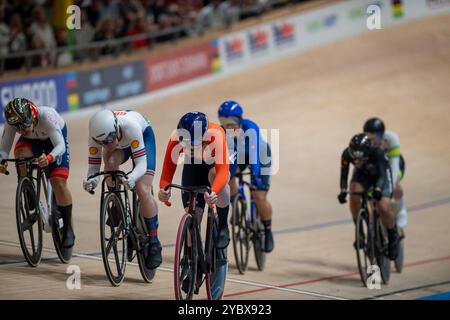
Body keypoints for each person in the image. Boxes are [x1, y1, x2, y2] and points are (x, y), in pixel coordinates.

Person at [82, 109, 161, 269]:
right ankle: (117, 204)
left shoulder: (130, 127)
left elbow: (141, 165)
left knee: (142, 188)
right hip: (123, 145)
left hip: (142, 137)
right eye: (103, 142)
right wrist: (91, 180)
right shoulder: (95, 137)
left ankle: (154, 240)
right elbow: (94, 169)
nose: (108, 144)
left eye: (111, 138)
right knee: (110, 163)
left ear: (116, 127)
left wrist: (131, 178)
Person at [0, 98, 75, 251]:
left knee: (58, 182)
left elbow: (60, 145)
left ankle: (67, 228)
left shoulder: (47, 116)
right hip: (32, 142)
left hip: (54, 142)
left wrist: (49, 157)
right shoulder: (13, 122)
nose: (21, 131)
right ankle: (27, 188)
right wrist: (2, 161)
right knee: (20, 154)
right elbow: (4, 148)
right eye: (18, 129)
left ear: (32, 116)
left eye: (24, 127)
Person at [158, 111, 231, 248]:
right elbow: (167, 174)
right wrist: (164, 190)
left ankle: (222, 226)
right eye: (185, 143)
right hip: (193, 168)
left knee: (217, 180)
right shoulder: (175, 138)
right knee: (193, 219)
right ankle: (190, 260)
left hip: (213, 167)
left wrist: (214, 192)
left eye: (193, 144)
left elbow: (223, 172)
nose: (189, 147)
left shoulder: (216, 134)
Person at [218, 100, 274, 253]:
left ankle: (267, 230)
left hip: (260, 156)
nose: (227, 126)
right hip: (240, 156)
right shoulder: (223, 132)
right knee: (228, 177)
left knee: (259, 195)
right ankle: (237, 203)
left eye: (230, 122)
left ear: (239, 119)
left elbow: (255, 157)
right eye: (223, 121)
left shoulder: (250, 127)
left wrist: (256, 178)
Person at [337, 133, 398, 260]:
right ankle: (359, 230)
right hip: (363, 174)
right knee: (353, 191)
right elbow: (344, 174)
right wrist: (343, 191)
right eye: (356, 159)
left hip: (381, 176)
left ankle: (393, 236)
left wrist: (377, 189)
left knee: (383, 207)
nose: (357, 162)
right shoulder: (347, 154)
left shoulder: (378, 153)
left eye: (361, 159)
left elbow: (382, 175)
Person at [363, 117, 407, 228]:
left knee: (395, 185)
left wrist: (391, 185)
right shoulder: (364, 143)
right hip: (377, 166)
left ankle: (401, 210)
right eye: (369, 136)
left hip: (393, 162)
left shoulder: (392, 138)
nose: (371, 140)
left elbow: (394, 164)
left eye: (375, 137)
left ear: (382, 135)